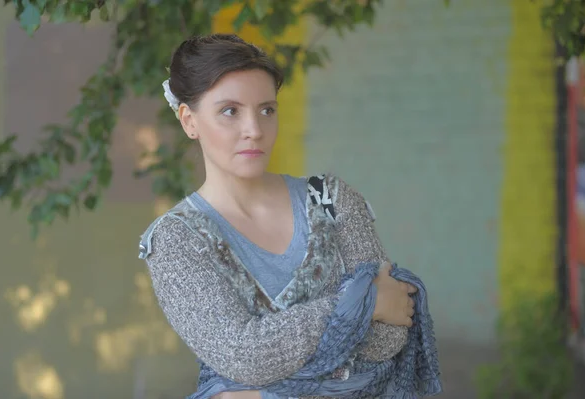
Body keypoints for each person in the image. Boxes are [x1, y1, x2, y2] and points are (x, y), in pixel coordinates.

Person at [139, 34, 441, 399]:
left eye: (267, 109)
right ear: (189, 120)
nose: (254, 130)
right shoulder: (177, 239)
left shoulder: (330, 198)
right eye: (230, 111)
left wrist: (258, 387)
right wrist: (365, 303)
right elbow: (244, 357)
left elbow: (390, 336)